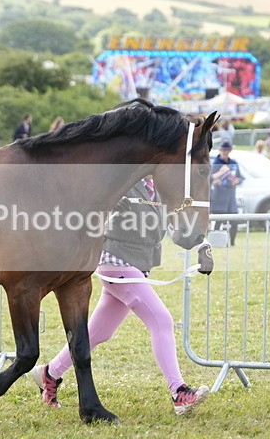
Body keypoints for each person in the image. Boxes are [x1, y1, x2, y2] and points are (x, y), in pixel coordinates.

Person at [29, 177, 210, 415]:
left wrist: (202, 246)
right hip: (116, 261)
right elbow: (89, 201)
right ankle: (179, 392)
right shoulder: (124, 176)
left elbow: (180, 228)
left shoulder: (161, 186)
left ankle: (50, 373)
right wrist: (110, 203)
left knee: (99, 332)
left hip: (139, 264)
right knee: (161, 320)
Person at [211, 140, 243, 246]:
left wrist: (237, 181)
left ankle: (232, 242)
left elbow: (240, 177)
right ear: (220, 150)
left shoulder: (233, 163)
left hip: (231, 198)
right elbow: (210, 178)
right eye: (223, 150)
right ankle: (216, 242)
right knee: (218, 221)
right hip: (219, 197)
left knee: (234, 221)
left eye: (227, 150)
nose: (225, 152)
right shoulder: (215, 163)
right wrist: (217, 181)